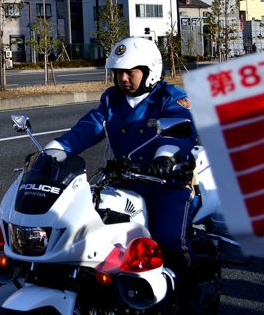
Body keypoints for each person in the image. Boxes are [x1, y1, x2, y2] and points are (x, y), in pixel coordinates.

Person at [44, 37, 198, 291]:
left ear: (149, 71)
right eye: (118, 73)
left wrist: (165, 157)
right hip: (124, 182)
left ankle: (189, 297)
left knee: (169, 240)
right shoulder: (112, 100)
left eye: (130, 72)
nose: (123, 78)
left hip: (166, 184)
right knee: (92, 230)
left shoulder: (170, 98)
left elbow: (179, 130)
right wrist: (55, 150)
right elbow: (88, 127)